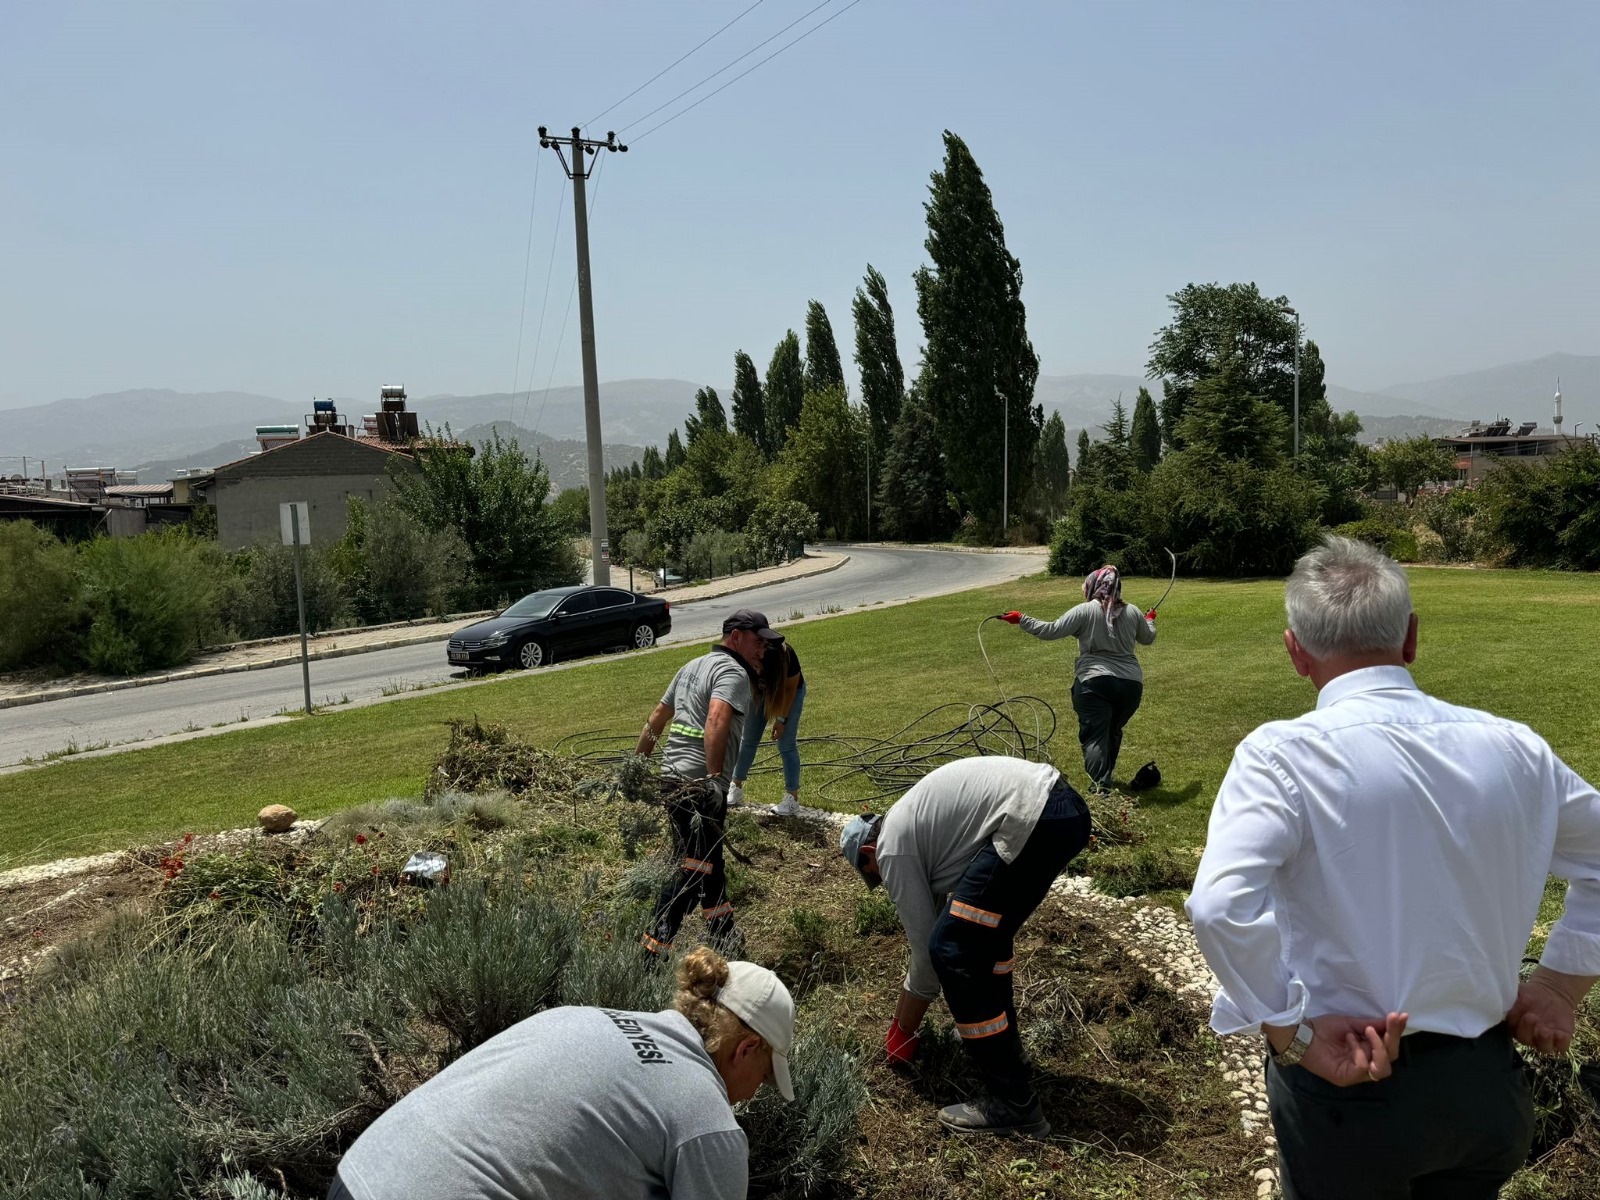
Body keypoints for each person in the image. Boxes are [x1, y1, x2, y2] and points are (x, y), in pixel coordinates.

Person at [1186, 536, 1600, 1200]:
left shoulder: (1282, 757)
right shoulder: (1517, 749)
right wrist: (1560, 983)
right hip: (1487, 1090)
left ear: (1296, 652)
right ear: (1410, 638)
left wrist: (1288, 1031)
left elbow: (1218, 906)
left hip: (1351, 1089)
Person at [328, 947, 796, 1200]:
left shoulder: (578, 1015)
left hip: (359, 1174)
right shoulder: (706, 1123)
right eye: (765, 1075)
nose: (754, 1093)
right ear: (747, 1048)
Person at [838, 755, 1092, 1137]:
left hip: (1033, 815)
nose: (882, 882)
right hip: (1062, 810)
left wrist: (901, 1033)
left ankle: (1013, 1104)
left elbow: (928, 952)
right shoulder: (919, 828)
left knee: (952, 948)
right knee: (981, 939)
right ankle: (1008, 1056)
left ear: (868, 855)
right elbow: (942, 923)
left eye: (872, 876)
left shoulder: (891, 848)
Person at [636, 609, 782, 958]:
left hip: (674, 782)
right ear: (735, 638)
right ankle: (650, 953)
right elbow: (717, 717)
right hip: (700, 789)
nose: (762, 650)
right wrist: (715, 780)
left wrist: (637, 767)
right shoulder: (732, 672)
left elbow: (657, 718)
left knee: (708, 865)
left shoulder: (690, 667)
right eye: (757, 642)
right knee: (691, 870)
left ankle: (724, 937)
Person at [1001, 564, 1156, 792]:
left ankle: (1100, 789)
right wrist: (1150, 619)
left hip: (1094, 683)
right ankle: (1104, 778)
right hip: (1131, 686)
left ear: (1095, 586)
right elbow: (1148, 638)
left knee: (1095, 736)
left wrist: (1021, 619)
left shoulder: (1086, 610)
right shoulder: (1133, 612)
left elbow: (1051, 630)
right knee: (1112, 731)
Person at [728, 638, 807, 816]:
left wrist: (781, 720)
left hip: (789, 694)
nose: (755, 668)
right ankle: (736, 786)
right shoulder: (747, 652)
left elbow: (790, 689)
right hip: (760, 692)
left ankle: (792, 798)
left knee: (786, 744)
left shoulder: (786, 656)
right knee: (748, 739)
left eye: (758, 666)